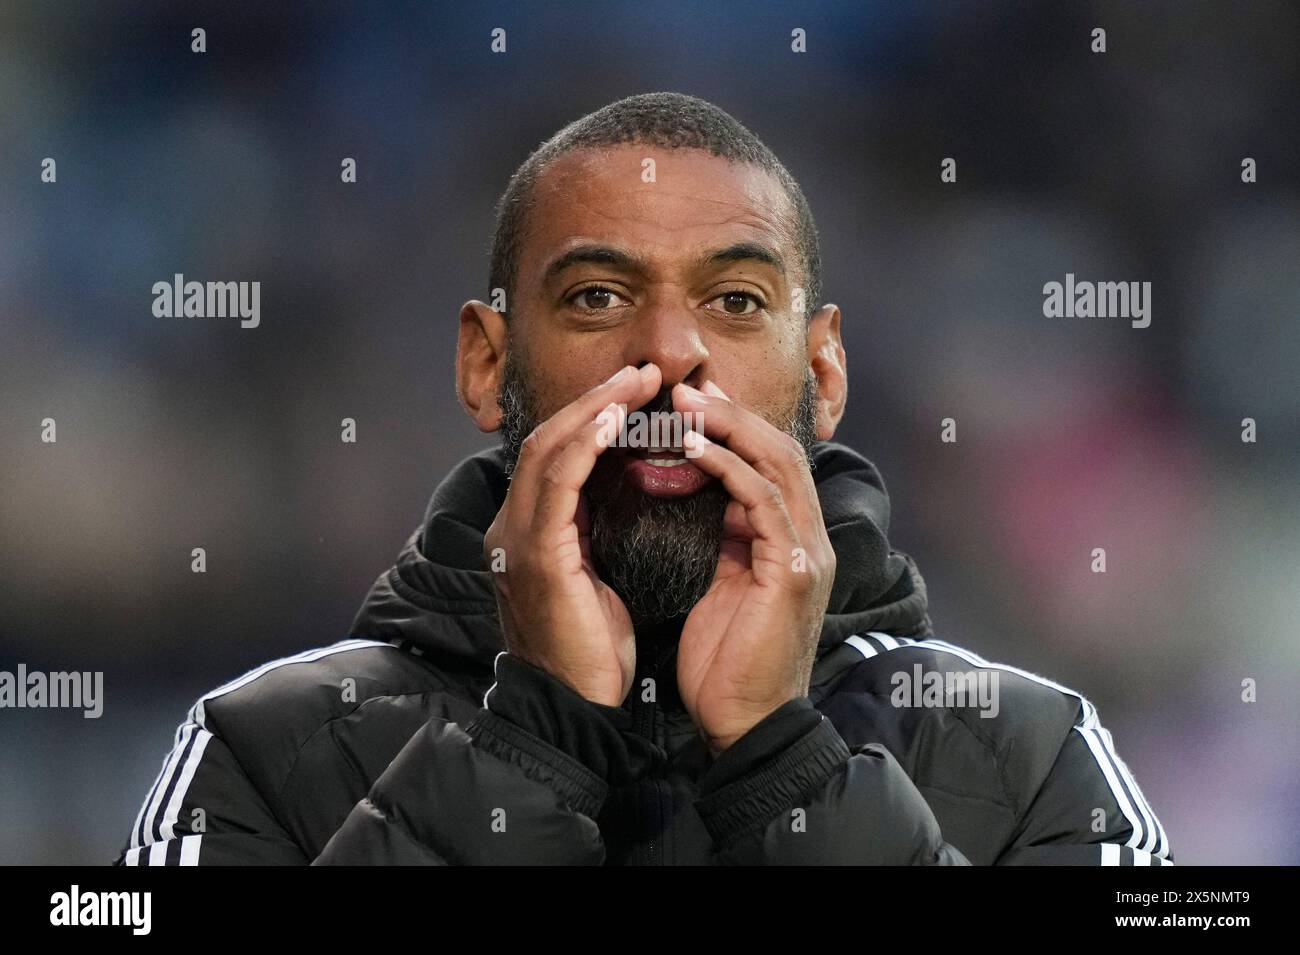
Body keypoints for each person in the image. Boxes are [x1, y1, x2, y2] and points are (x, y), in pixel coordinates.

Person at [117, 92, 1171, 866]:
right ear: (487, 363)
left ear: (823, 370)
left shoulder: (1029, 754)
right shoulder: (260, 748)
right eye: (593, 297)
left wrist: (783, 759)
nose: (669, 352)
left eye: (738, 302)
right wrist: (531, 743)